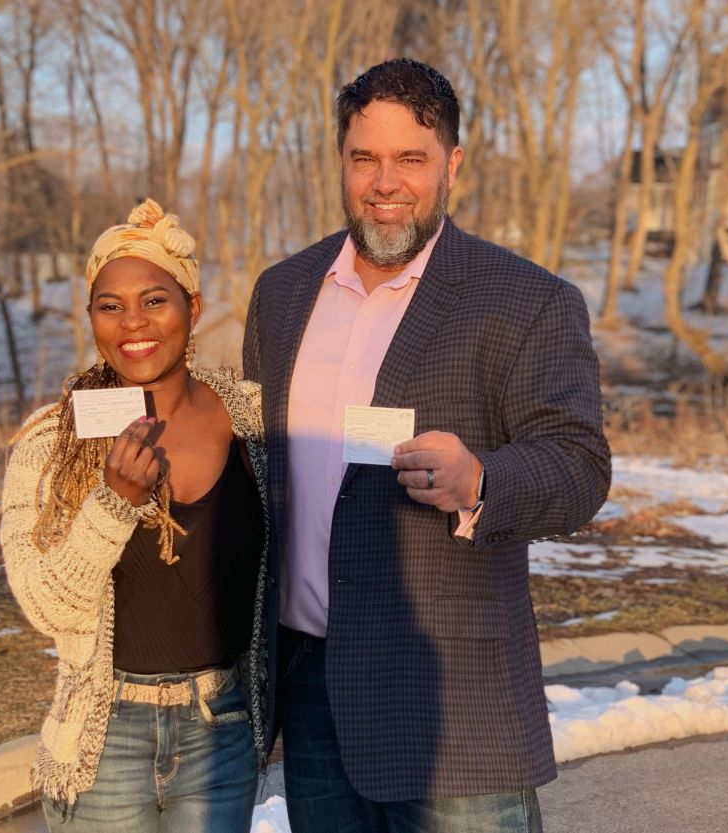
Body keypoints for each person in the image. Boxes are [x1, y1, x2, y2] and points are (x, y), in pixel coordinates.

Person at [243, 59, 611, 833]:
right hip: (313, 687)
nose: (385, 181)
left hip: (452, 695)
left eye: (410, 158)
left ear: (452, 165)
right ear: (341, 160)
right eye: (364, 157)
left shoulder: (527, 300)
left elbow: (578, 463)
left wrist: (482, 477)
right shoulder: (282, 294)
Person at [1, 199, 269, 832]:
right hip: (105, 741)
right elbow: (46, 605)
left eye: (155, 300)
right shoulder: (52, 442)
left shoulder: (255, 423)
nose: (132, 324)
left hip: (220, 731)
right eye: (109, 305)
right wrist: (112, 503)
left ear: (193, 307)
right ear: (91, 316)